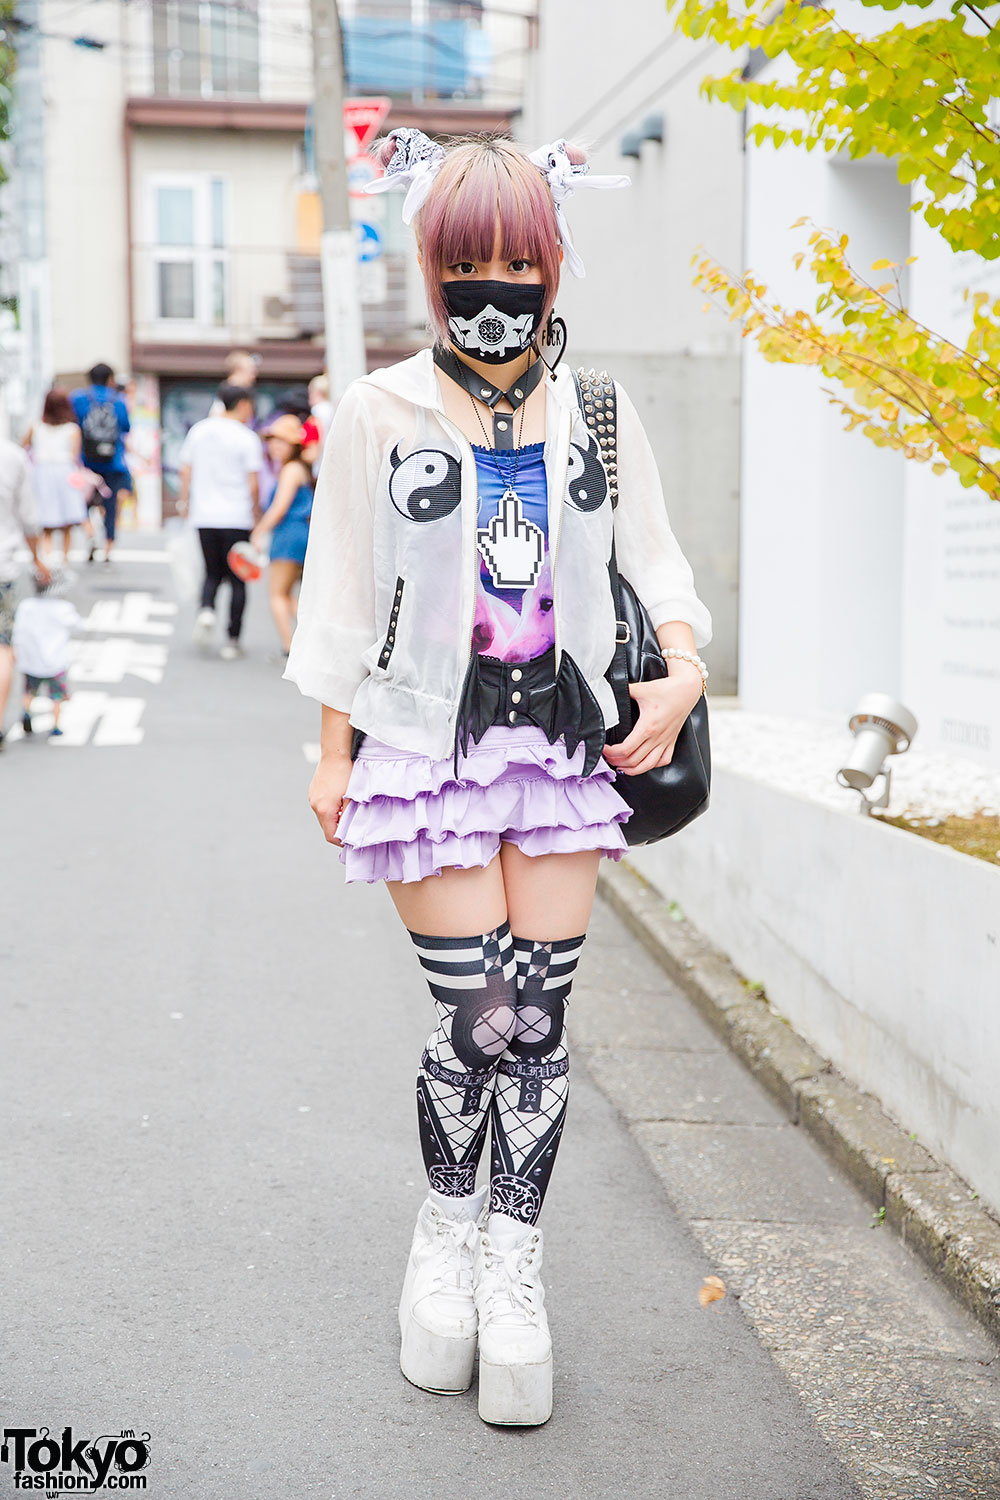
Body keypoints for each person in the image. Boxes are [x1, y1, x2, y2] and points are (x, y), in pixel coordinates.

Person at [284, 130, 713, 1428]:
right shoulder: (381, 410)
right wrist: (332, 749)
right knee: (476, 1020)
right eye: (466, 261)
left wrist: (684, 668)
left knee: (541, 1026)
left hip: (565, 747)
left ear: (553, 264)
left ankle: (515, 1267)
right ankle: (449, 1235)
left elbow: (657, 562)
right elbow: (348, 593)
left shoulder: (596, 410)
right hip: (429, 749)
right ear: (429, 268)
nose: (493, 286)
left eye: (517, 260)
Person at [177, 383, 263, 661]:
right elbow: (253, 484)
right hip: (237, 517)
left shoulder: (199, 431)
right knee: (239, 578)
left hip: (204, 516)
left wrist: (184, 502)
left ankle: (206, 609)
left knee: (212, 571)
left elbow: (185, 470)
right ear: (242, 405)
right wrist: (256, 514)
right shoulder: (247, 437)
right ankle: (233, 640)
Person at [250, 413, 313, 658]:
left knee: (277, 594)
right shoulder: (299, 469)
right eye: (272, 440)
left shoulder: (291, 470)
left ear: (294, 445)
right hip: (300, 535)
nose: (275, 445)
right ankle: (310, 641)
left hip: (288, 536)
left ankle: (289, 648)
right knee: (289, 595)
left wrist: (258, 531)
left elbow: (279, 507)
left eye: (281, 441)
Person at [0, 439, 48, 750]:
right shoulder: (12, 456)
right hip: (4, 564)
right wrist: (38, 560)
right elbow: (29, 519)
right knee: (4, 647)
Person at [70, 363, 131, 564]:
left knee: (82, 504)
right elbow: (125, 427)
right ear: (110, 378)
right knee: (110, 506)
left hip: (85, 464)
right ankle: (108, 549)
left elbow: (72, 425)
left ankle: (90, 537)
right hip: (113, 463)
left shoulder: (79, 398)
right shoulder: (119, 400)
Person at [13, 568, 80, 739]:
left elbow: (18, 630)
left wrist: (16, 650)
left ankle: (26, 712)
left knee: (29, 690)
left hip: (31, 658)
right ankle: (56, 725)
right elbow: (76, 625)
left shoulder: (27, 605)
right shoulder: (63, 608)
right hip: (55, 660)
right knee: (57, 695)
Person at [23, 388, 86, 563]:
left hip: (42, 473)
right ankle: (64, 560)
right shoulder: (72, 429)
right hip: (65, 472)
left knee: (46, 520)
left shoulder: (35, 426)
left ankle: (46, 557)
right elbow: (75, 456)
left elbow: (23, 447)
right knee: (67, 521)